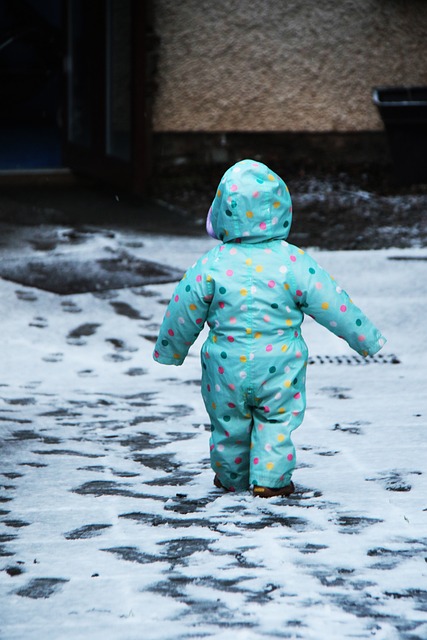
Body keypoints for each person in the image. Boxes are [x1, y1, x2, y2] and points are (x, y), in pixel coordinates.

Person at [153, 159, 386, 498]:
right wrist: (365, 337)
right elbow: (332, 302)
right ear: (281, 210)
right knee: (277, 422)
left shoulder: (212, 264)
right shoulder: (293, 262)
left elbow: (183, 308)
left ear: (222, 211)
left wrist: (170, 349)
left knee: (228, 424)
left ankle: (231, 476)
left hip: (224, 365)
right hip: (280, 363)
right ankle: (270, 480)